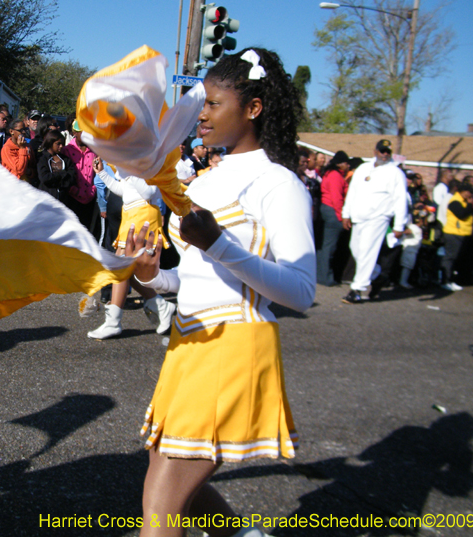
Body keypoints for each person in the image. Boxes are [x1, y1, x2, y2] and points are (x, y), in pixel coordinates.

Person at [125, 48, 314, 537]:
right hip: (189, 343)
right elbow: (196, 283)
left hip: (234, 346)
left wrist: (220, 245)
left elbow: (301, 291)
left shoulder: (279, 183)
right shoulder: (202, 183)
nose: (200, 114)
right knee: (165, 482)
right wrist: (150, 277)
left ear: (253, 108)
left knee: (161, 507)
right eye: (199, 103)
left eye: (212, 103)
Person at [88, 162, 174, 340]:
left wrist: (128, 170)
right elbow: (124, 190)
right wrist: (103, 174)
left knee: (121, 268)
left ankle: (113, 322)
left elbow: (149, 192)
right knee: (129, 271)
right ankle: (160, 305)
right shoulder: (129, 163)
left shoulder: (144, 160)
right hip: (130, 214)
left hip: (143, 215)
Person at [341, 139, 408, 304]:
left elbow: (400, 200)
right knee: (356, 250)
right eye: (382, 151)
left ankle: (357, 289)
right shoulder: (364, 168)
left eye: (387, 152)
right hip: (359, 217)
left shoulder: (395, 173)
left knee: (366, 251)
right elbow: (353, 192)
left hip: (379, 217)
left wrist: (399, 225)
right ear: (375, 151)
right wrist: (346, 213)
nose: (384, 154)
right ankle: (377, 274)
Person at [316, 150, 350, 286]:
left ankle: (321, 275)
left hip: (328, 210)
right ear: (341, 164)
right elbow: (337, 198)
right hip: (332, 211)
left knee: (325, 245)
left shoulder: (330, 174)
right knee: (329, 246)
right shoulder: (335, 176)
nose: (348, 166)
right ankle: (325, 277)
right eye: (347, 163)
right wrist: (341, 217)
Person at [62, 120, 98, 235]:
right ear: (74, 133)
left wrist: (93, 190)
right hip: (72, 199)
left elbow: (98, 173)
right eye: (82, 132)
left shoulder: (94, 151)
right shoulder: (66, 150)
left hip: (89, 199)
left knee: (86, 233)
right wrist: (73, 190)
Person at [440, 182, 473, 292]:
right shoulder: (455, 201)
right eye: (468, 192)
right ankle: (445, 281)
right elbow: (461, 214)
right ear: (462, 191)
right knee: (450, 257)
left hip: (461, 233)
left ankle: (451, 280)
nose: (469, 195)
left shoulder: (463, 201)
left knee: (455, 258)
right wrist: (470, 204)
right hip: (453, 233)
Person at [36, 130, 76, 203]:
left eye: (62, 144)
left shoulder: (65, 159)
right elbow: (44, 178)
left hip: (63, 200)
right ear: (51, 142)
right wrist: (63, 174)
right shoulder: (42, 158)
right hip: (46, 200)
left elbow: (72, 177)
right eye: (58, 144)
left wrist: (58, 181)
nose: (61, 146)